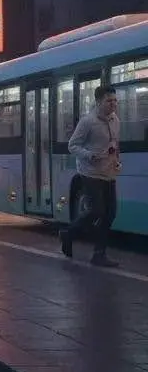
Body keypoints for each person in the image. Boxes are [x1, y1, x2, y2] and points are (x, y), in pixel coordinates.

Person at [61, 84, 121, 267]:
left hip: (109, 172)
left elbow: (115, 144)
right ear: (98, 102)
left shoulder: (115, 120)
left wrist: (117, 161)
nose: (113, 104)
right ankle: (69, 233)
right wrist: (89, 155)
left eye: (115, 100)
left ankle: (98, 254)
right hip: (90, 172)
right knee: (97, 211)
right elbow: (72, 145)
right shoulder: (88, 121)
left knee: (110, 214)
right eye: (109, 101)